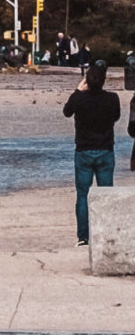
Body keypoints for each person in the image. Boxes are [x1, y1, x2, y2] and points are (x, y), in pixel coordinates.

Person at [63, 60, 120, 246]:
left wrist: (78, 91)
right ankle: (105, 231)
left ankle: (83, 236)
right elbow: (116, 117)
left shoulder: (79, 99)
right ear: (104, 80)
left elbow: (67, 111)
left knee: (82, 195)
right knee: (106, 193)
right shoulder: (112, 99)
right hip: (105, 149)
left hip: (84, 150)